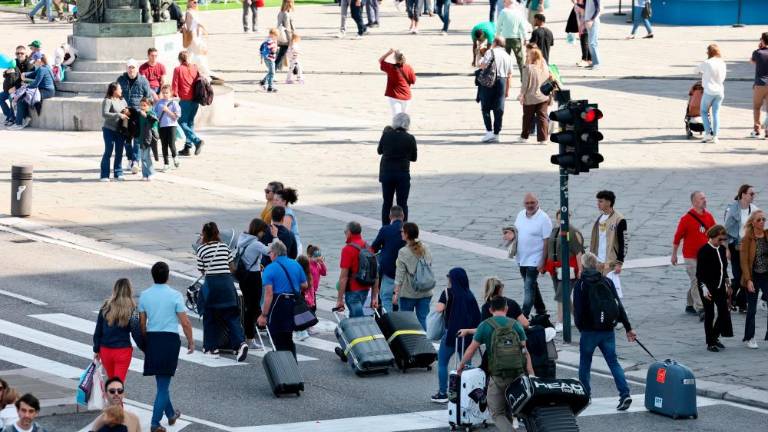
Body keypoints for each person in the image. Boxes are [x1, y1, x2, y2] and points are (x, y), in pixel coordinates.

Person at [457, 296, 533, 431]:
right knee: (509, 408)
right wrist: (531, 374)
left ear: (490, 309)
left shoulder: (485, 325)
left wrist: (461, 366)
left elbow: (471, 350)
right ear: (506, 308)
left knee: (497, 412)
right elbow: (525, 352)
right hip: (517, 374)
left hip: (498, 376)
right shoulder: (516, 325)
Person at [574, 252, 636, 411]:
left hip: (589, 331)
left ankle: (585, 395)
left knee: (585, 363)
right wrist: (628, 328)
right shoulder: (607, 281)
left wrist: (581, 328)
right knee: (613, 362)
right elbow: (618, 305)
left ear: (583, 265)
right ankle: (625, 394)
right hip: (608, 330)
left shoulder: (580, 285)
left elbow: (578, 311)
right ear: (596, 265)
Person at [138, 261, 193, 432]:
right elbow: (185, 322)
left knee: (162, 382)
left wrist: (147, 341)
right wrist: (191, 341)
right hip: (169, 340)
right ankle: (155, 423)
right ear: (168, 276)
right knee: (163, 385)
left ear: (152, 275)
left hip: (153, 339)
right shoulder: (175, 295)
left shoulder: (145, 295)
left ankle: (170, 414)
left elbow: (142, 323)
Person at [196, 222, 249, 361]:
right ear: (217, 233)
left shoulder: (201, 250)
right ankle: (240, 343)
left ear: (204, 235)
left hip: (212, 285)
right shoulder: (224, 247)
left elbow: (202, 270)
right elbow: (232, 268)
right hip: (227, 284)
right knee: (232, 316)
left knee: (210, 315)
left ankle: (211, 347)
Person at [430, 267, 481, 403]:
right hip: (467, 335)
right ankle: (467, 392)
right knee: (466, 364)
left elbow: (439, 309)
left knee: (442, 363)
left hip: (451, 334)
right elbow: (477, 317)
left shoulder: (447, 293)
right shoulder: (469, 294)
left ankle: (442, 393)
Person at [257, 240, 308, 358]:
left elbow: (268, 294)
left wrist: (264, 315)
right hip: (292, 305)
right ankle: (292, 365)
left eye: (270, 253)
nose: (269, 255)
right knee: (288, 337)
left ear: (275, 253)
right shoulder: (296, 264)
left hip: (278, 306)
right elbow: (305, 285)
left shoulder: (270, 268)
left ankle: (283, 368)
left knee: (277, 338)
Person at [672, 191, 716, 318]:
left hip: (705, 256)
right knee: (697, 280)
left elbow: (715, 232)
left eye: (705, 197)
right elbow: (677, 238)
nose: (705, 200)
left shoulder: (709, 216)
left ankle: (690, 304)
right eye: (702, 198)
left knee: (699, 281)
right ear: (694, 202)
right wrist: (674, 254)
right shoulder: (686, 219)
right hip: (691, 256)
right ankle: (701, 308)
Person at [235, 218, 272, 349]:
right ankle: (250, 338)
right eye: (263, 232)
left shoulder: (242, 239)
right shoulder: (255, 243)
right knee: (253, 308)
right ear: (259, 231)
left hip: (243, 276)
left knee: (248, 307)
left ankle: (247, 335)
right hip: (253, 277)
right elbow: (270, 251)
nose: (263, 234)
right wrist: (276, 237)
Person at [696, 225, 734, 352]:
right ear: (712, 237)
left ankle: (715, 336)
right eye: (720, 239)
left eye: (724, 239)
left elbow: (723, 269)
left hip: (720, 287)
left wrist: (728, 283)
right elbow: (699, 273)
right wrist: (704, 288)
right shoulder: (704, 250)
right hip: (707, 288)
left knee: (724, 312)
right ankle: (710, 342)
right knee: (710, 314)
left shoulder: (722, 249)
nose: (722, 242)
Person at [544, 210, 583, 331]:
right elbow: (549, 248)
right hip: (554, 269)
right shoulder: (554, 231)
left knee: (561, 295)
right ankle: (579, 318)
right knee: (564, 296)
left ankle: (559, 321)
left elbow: (579, 253)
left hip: (569, 269)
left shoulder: (573, 232)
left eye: (564, 218)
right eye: (559, 218)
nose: (562, 220)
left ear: (569, 218)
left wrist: (580, 270)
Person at [514, 192, 551, 317]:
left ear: (537, 203)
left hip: (535, 259)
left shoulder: (544, 218)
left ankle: (523, 315)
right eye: (527, 203)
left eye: (532, 203)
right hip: (521, 258)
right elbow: (515, 231)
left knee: (528, 287)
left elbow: (547, 242)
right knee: (531, 284)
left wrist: (543, 261)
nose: (530, 205)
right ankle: (541, 310)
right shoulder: (520, 214)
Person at [93, 278, 136, 382]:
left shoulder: (106, 306)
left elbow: (98, 330)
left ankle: (110, 398)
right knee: (118, 385)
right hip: (123, 350)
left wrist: (96, 349)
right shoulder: (134, 309)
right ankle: (116, 399)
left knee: (112, 383)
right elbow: (136, 331)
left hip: (106, 350)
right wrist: (146, 347)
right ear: (130, 290)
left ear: (115, 289)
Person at [725, 184, 759, 312]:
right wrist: (727, 248)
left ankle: (741, 302)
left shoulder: (755, 210)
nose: (753, 196)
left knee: (748, 275)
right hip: (736, 246)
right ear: (743, 195)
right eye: (751, 194)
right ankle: (731, 298)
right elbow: (726, 231)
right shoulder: (731, 210)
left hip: (749, 247)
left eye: (753, 194)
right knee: (739, 275)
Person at [377, 114, 417, 225]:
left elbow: (379, 151)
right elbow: (414, 158)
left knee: (387, 203)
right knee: (402, 203)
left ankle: (385, 227)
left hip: (387, 173)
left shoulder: (386, 135)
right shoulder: (410, 138)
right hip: (402, 174)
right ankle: (403, 229)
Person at [394, 222, 433, 329]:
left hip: (408, 293)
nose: (401, 233)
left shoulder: (403, 252)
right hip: (426, 291)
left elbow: (399, 275)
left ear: (407, 234)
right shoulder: (426, 248)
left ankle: (410, 344)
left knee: (406, 322)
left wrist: (396, 293)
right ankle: (425, 342)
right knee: (423, 319)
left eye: (402, 231)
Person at [116, 59, 153, 172]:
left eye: (133, 67)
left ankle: (136, 161)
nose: (131, 70)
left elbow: (148, 97)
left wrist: (146, 111)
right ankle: (130, 159)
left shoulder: (143, 81)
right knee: (126, 138)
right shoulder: (120, 80)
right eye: (129, 67)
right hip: (126, 113)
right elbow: (116, 96)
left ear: (137, 68)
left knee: (137, 139)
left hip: (138, 113)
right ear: (126, 68)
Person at [589, 190, 627, 296]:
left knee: (612, 292)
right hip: (598, 261)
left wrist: (619, 263)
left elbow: (624, 242)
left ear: (609, 202)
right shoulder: (600, 218)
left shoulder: (619, 219)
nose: (598, 204)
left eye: (601, 201)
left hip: (610, 263)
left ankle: (619, 311)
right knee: (599, 292)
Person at [335, 221, 377, 317]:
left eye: (345, 232)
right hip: (366, 288)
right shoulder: (369, 247)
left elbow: (343, 277)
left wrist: (339, 300)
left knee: (357, 322)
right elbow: (375, 274)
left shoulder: (347, 249)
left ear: (349, 232)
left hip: (353, 290)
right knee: (357, 319)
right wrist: (374, 297)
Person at [740, 210, 768, 349]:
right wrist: (748, 280)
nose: (762, 222)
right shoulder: (747, 238)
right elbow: (744, 261)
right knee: (751, 309)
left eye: (764, 219)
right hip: (753, 276)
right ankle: (750, 337)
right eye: (759, 220)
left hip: (766, 275)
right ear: (753, 222)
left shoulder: (767, 235)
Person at [372, 206, 407, 313]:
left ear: (390, 216)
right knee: (403, 300)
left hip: (389, 272)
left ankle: (389, 322)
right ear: (403, 216)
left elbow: (373, 248)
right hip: (405, 273)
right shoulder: (408, 230)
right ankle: (403, 323)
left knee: (386, 298)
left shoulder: (385, 230)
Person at [478, 37, 513, 143]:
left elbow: (482, 65)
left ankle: (489, 131)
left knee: (486, 107)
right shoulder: (508, 56)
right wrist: (507, 89)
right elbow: (510, 74)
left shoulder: (490, 52)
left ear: (495, 43)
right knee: (499, 109)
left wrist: (480, 56)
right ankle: (497, 133)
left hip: (489, 81)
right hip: (502, 81)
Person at [172, 51, 205, 157]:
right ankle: (187, 147)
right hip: (196, 99)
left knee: (182, 122)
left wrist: (172, 96)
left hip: (185, 99)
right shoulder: (194, 67)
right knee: (190, 123)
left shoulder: (178, 69)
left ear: (179, 60)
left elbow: (174, 86)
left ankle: (197, 141)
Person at [10, 54, 55, 130]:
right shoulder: (44, 67)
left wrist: (26, 86)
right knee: (23, 97)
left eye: (34, 61)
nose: (33, 63)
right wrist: (25, 74)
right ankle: (25, 118)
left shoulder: (42, 69)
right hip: (46, 90)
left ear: (39, 61)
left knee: (21, 99)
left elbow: (36, 83)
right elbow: (33, 74)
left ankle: (19, 123)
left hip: (47, 91)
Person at [517, 46, 551, 144]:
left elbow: (525, 84)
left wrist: (521, 95)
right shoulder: (545, 67)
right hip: (543, 96)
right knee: (542, 117)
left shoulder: (527, 68)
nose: (527, 56)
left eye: (528, 55)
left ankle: (524, 137)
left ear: (531, 56)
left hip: (530, 97)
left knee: (527, 117)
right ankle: (543, 139)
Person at [696, 44, 726, 144]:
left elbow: (696, 70)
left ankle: (708, 133)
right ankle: (716, 136)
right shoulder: (722, 62)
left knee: (703, 111)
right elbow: (723, 77)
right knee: (716, 113)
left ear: (709, 52)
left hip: (709, 91)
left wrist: (703, 73)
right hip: (720, 91)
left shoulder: (707, 62)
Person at [100, 82, 129, 181]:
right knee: (108, 151)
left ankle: (118, 172)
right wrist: (118, 115)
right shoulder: (108, 101)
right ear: (114, 90)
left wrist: (127, 113)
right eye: (119, 89)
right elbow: (105, 114)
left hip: (120, 130)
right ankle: (104, 175)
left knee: (119, 152)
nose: (121, 91)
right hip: (109, 129)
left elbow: (127, 111)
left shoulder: (123, 100)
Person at [1, 46, 33, 127]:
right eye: (17, 53)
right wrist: (6, 72)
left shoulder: (29, 65)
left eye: (22, 53)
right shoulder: (14, 62)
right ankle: (9, 115)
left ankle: (12, 118)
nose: (19, 55)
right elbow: (5, 75)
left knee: (11, 97)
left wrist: (15, 87)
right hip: (10, 88)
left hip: (22, 89)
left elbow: (26, 80)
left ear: (26, 54)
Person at [379, 49, 416, 119]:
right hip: (406, 95)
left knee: (396, 117)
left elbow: (380, 60)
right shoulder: (409, 67)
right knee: (405, 117)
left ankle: (396, 129)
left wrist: (389, 53)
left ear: (395, 58)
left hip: (394, 95)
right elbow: (413, 81)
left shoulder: (391, 67)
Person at [183, 0, 213, 79]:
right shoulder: (189, 12)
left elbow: (196, 24)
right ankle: (201, 71)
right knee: (197, 53)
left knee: (194, 53)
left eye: (197, 2)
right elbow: (196, 22)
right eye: (194, 2)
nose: (196, 4)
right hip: (192, 36)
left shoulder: (194, 11)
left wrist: (202, 31)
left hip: (196, 35)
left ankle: (200, 71)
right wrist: (205, 29)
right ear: (189, 2)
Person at [153, 84, 181, 172]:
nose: (165, 94)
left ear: (171, 93)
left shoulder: (174, 103)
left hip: (172, 126)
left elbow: (176, 116)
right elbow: (155, 113)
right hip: (162, 126)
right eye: (163, 93)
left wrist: (167, 110)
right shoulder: (159, 103)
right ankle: (166, 164)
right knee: (164, 145)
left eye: (167, 93)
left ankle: (175, 156)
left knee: (171, 144)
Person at [496, 0, 527, 77]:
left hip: (505, 39)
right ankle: (523, 78)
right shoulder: (518, 12)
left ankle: (505, 77)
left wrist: (497, 37)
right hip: (516, 39)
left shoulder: (503, 12)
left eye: (504, 1)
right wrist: (525, 38)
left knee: (505, 59)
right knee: (520, 60)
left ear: (508, 2)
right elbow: (522, 27)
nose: (503, 3)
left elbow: (498, 25)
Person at [750, 32, 768, 139]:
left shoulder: (757, 53)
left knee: (757, 107)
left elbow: (752, 62)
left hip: (760, 84)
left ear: (762, 40)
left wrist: (760, 48)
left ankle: (757, 130)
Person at [306, 244, 327, 333]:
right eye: (316, 256)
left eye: (319, 256)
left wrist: (322, 263)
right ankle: (309, 325)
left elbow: (324, 273)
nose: (318, 258)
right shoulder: (309, 266)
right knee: (310, 307)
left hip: (313, 290)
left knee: (313, 307)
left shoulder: (317, 265)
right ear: (309, 257)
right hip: (308, 290)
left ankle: (309, 325)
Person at [273, 188, 302, 252]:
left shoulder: (287, 214)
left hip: (292, 248)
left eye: (276, 200)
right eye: (273, 199)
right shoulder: (278, 211)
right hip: (283, 245)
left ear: (284, 201)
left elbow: (284, 234)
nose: (274, 202)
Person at [137, 97, 158, 180]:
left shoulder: (151, 113)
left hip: (148, 139)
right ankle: (144, 174)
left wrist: (146, 116)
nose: (142, 107)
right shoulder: (140, 115)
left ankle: (151, 172)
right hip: (141, 138)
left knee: (146, 156)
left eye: (144, 105)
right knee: (142, 157)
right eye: (141, 105)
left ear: (149, 106)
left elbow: (155, 124)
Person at [275, 0, 295, 71]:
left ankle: (295, 71)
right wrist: (291, 39)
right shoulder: (285, 14)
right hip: (286, 39)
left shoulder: (283, 13)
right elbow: (285, 28)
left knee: (290, 55)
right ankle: (269, 75)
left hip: (285, 38)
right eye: (292, 3)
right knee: (281, 56)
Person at [260, 28, 279, 93]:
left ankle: (263, 81)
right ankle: (270, 87)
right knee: (272, 72)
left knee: (271, 72)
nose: (276, 37)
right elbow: (273, 50)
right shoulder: (270, 41)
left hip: (267, 58)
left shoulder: (267, 40)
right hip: (270, 59)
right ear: (272, 34)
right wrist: (275, 46)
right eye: (275, 35)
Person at [573, 0, 591, 67]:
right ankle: (589, 59)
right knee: (586, 42)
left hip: (584, 25)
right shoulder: (579, 3)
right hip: (582, 24)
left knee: (584, 42)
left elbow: (583, 13)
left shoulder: (584, 3)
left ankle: (584, 60)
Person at [584, 0, 601, 70]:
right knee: (591, 44)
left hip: (593, 22)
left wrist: (591, 20)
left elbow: (598, 9)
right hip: (588, 21)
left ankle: (597, 64)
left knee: (593, 43)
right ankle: (594, 62)